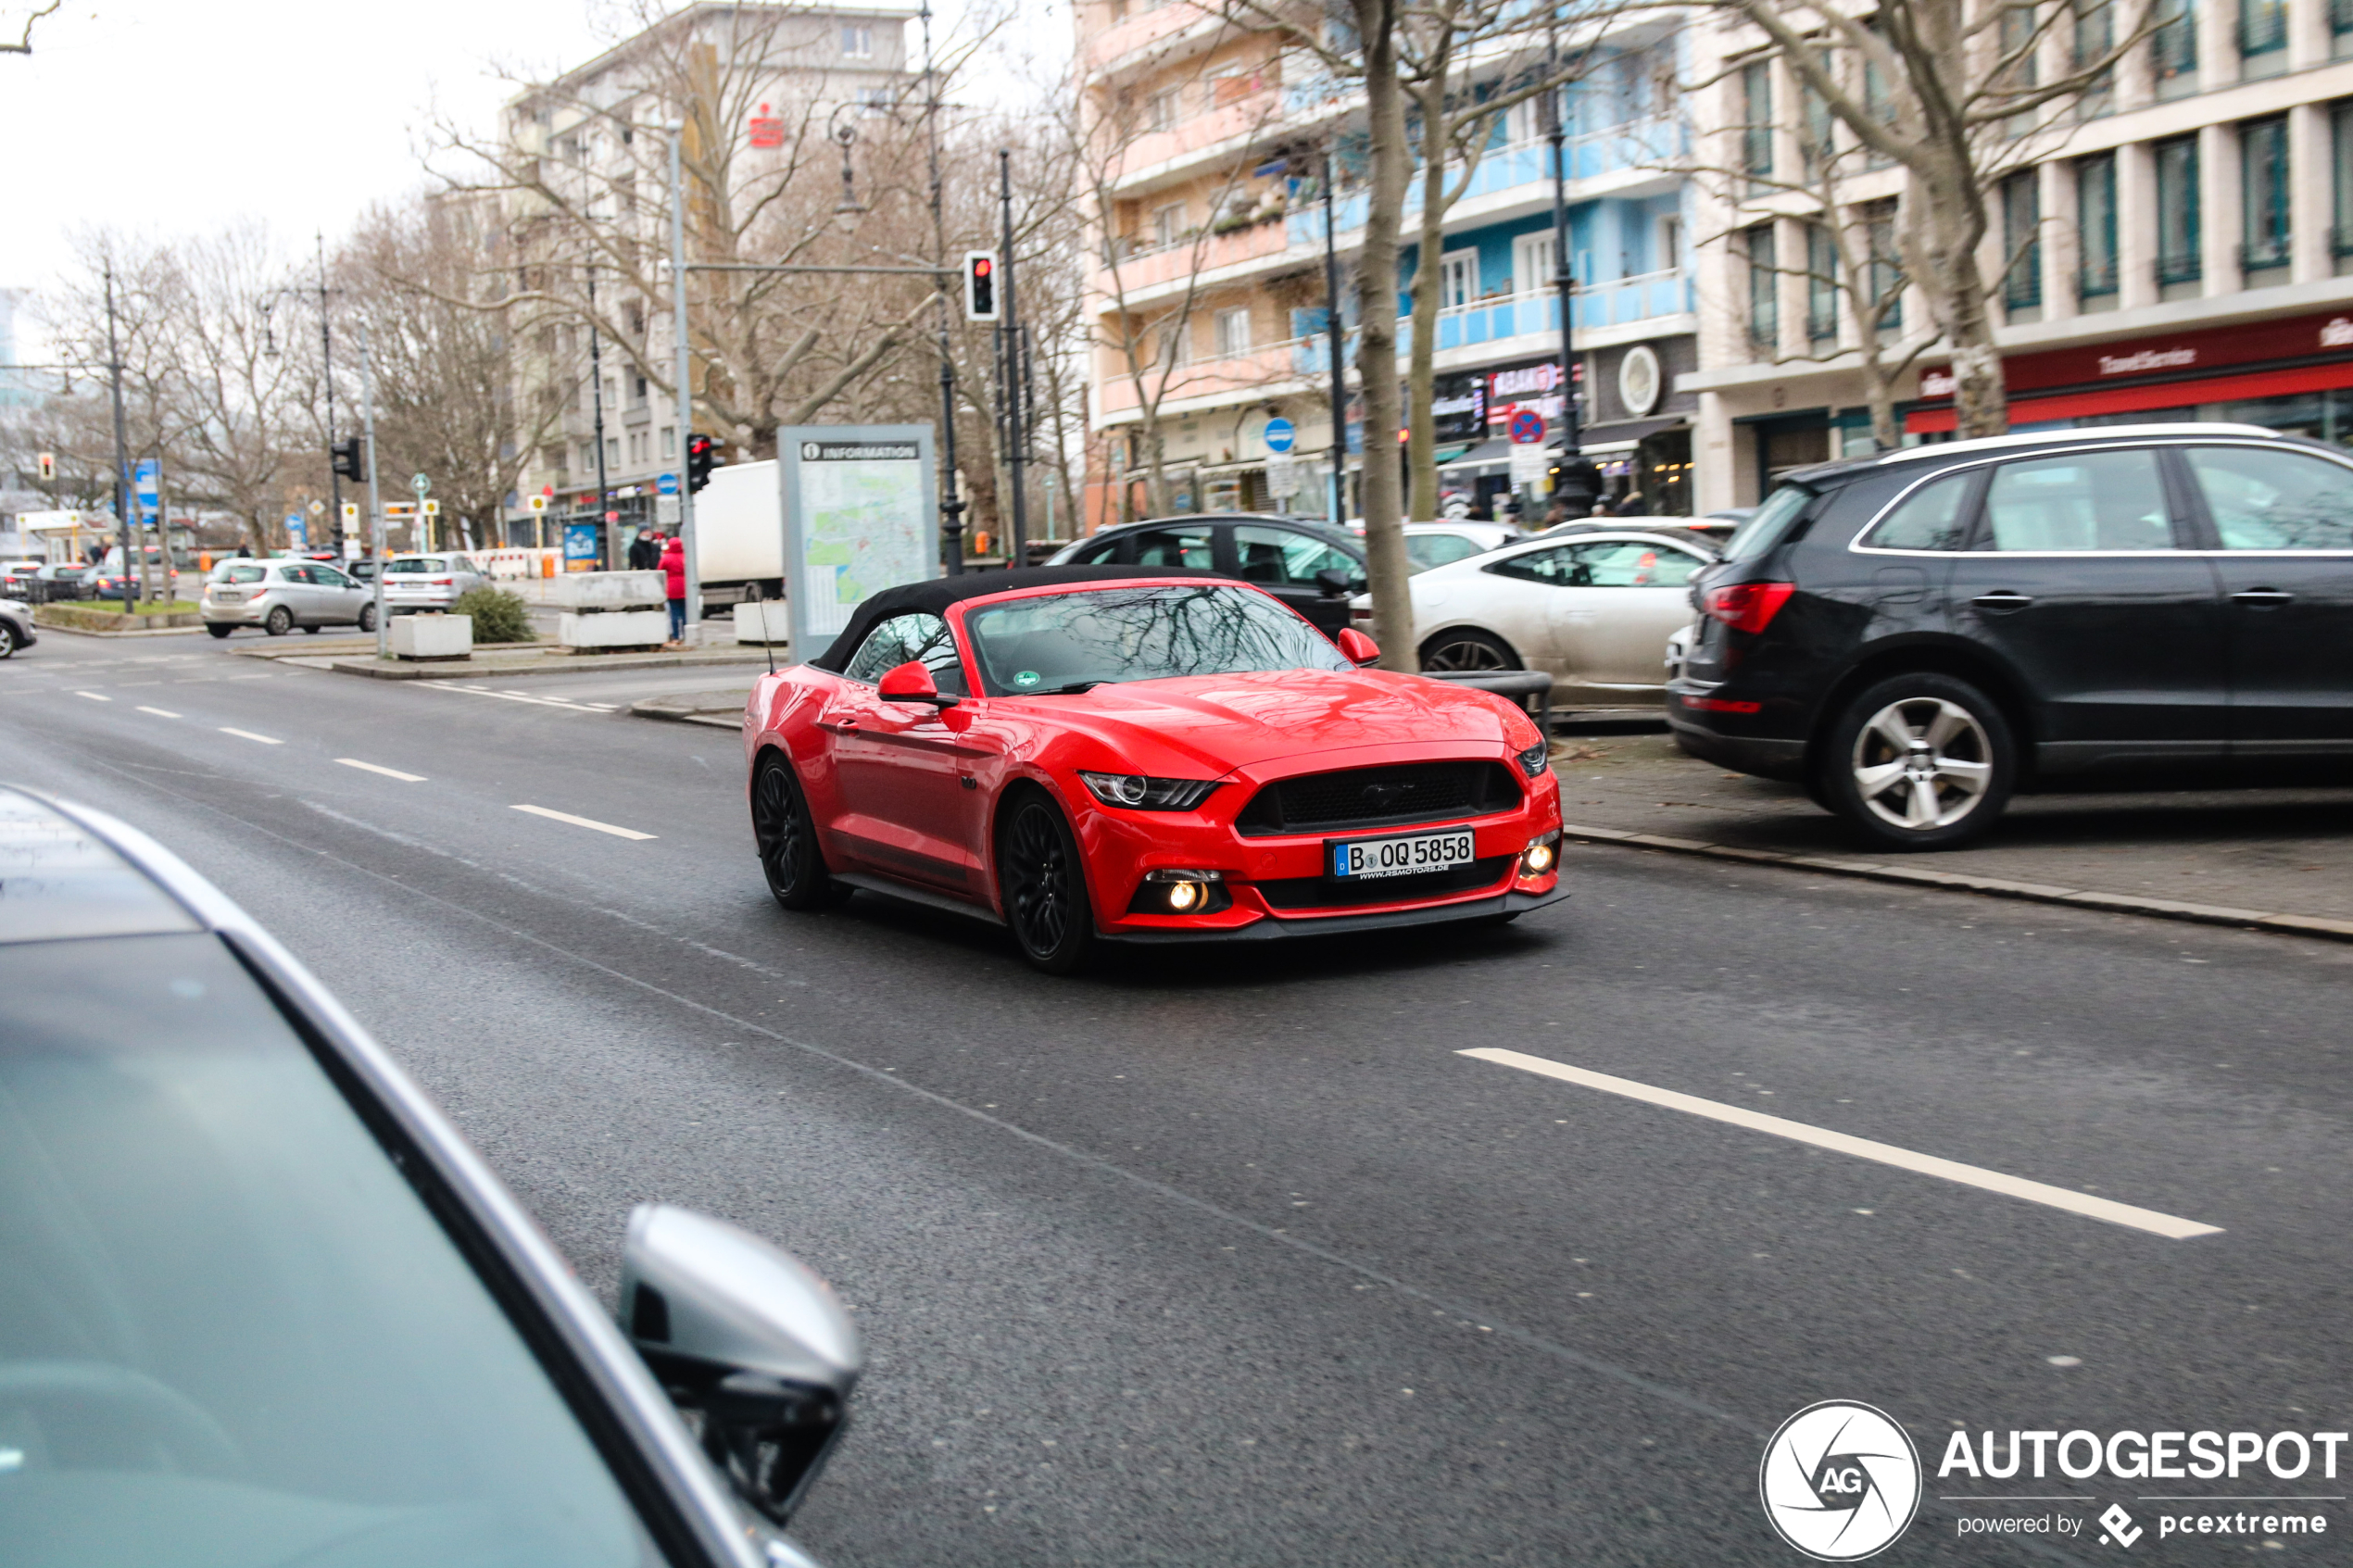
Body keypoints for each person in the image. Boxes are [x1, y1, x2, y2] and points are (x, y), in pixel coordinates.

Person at [660, 533, 686, 646]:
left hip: (672, 587)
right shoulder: (685, 557)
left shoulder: (666, 558)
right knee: (685, 613)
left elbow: (660, 570)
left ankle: (675, 636)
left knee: (674, 613)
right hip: (685, 587)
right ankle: (686, 635)